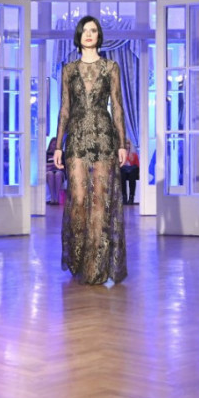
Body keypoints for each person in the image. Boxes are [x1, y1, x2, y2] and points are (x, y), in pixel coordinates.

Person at [52, 15, 128, 285]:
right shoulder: (69, 70)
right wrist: (58, 144)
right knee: (78, 199)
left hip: (104, 138)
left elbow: (117, 106)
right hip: (76, 139)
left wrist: (122, 143)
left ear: (98, 35)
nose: (88, 34)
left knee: (100, 202)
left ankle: (97, 265)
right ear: (78, 35)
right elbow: (64, 109)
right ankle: (79, 258)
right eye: (84, 30)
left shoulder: (111, 67)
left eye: (93, 30)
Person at [45, 137, 65, 205]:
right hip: (49, 171)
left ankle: (56, 198)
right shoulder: (46, 154)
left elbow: (64, 166)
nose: (54, 146)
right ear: (50, 145)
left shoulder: (62, 154)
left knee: (58, 174)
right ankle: (52, 198)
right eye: (53, 144)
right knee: (50, 174)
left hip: (59, 171)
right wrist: (53, 165)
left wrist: (57, 166)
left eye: (56, 145)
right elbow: (44, 165)